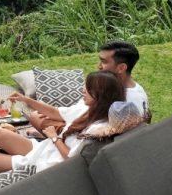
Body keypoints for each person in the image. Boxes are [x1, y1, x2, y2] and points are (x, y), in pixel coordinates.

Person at [14, 40, 149, 135]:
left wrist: (58, 136)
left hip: (80, 134)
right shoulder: (131, 88)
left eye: (104, 61)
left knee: (35, 117)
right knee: (40, 114)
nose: (99, 66)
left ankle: (47, 136)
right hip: (78, 122)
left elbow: (110, 135)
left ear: (121, 68)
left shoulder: (122, 101)